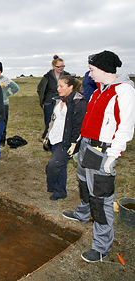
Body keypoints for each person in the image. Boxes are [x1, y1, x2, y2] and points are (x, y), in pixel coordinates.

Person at [62, 51, 135, 262]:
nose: (90, 75)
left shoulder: (124, 92)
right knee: (84, 183)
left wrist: (113, 156)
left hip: (102, 151)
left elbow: (126, 127)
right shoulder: (99, 91)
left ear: (104, 69)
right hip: (86, 145)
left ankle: (102, 247)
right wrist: (78, 141)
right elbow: (90, 120)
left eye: (92, 70)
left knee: (101, 198)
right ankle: (83, 214)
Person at [43, 75, 87, 200]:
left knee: (53, 165)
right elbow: (53, 119)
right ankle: (60, 191)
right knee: (60, 166)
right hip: (54, 137)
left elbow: (79, 125)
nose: (58, 89)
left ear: (71, 87)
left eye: (61, 86)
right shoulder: (58, 99)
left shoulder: (79, 102)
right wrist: (47, 135)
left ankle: (53, 186)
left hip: (66, 140)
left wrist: (74, 143)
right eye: (58, 86)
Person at [37, 55, 70, 139]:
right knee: (48, 120)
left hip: (63, 102)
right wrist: (44, 100)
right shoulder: (47, 76)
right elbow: (40, 88)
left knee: (60, 120)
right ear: (53, 66)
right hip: (49, 102)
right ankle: (47, 138)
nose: (61, 68)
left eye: (62, 66)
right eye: (58, 66)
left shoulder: (67, 76)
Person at [0, 62, 20, 146]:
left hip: (4, 104)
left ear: (1, 71)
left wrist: (7, 94)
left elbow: (16, 87)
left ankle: (2, 141)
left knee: (3, 122)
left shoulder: (6, 80)